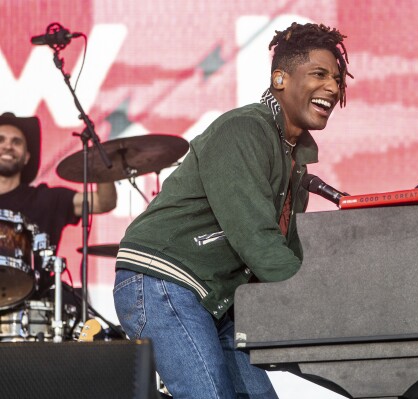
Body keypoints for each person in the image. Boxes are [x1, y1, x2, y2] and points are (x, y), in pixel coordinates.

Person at [113, 22, 352, 398]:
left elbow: (287, 257)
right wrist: (326, 300)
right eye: (319, 74)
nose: (333, 87)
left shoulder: (295, 162)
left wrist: (344, 292)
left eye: (337, 79)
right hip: (165, 281)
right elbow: (257, 241)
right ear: (280, 79)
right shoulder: (244, 130)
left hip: (214, 301)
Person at [0, 112, 117, 296]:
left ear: (27, 157)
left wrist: (102, 163)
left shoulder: (47, 199)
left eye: (16, 142)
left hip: (34, 308)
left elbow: (104, 202)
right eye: (1, 140)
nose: (7, 146)